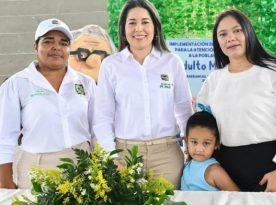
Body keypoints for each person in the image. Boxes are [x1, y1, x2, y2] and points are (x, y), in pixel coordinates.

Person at [196, 9, 276, 192]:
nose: (230, 38)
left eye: (237, 30)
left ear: (248, 32)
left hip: (271, 167)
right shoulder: (214, 80)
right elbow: (203, 124)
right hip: (227, 172)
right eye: (223, 34)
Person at [93, 0, 193, 189]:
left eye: (145, 22)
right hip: (125, 153)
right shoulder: (111, 65)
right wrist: (111, 156)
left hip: (167, 153)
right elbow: (102, 117)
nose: (139, 28)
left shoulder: (172, 62)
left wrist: (191, 149)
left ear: (155, 27)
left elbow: (184, 111)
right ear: (123, 29)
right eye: (132, 23)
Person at [0, 18, 95, 189]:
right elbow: (4, 136)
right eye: (48, 41)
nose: (56, 47)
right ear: (36, 46)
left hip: (81, 163)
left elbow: (97, 128)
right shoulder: (17, 83)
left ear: (69, 49)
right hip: (36, 167)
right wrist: (4, 180)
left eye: (63, 43)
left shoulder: (86, 83)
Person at [181, 111, 240, 191]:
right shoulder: (187, 166)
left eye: (206, 143)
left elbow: (237, 195)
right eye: (194, 142)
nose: (199, 149)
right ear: (186, 140)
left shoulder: (214, 171)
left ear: (216, 144)